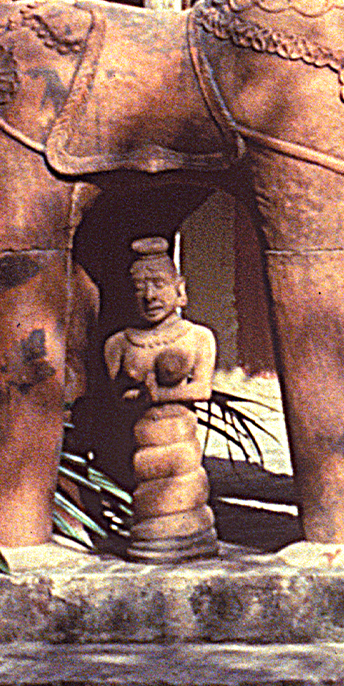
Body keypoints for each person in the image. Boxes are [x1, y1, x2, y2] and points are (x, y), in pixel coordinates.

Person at [100, 238, 219, 564]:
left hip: (181, 441)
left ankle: (190, 536)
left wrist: (162, 394)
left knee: (184, 490)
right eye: (139, 287)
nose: (149, 296)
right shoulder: (119, 343)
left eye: (158, 285)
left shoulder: (198, 337)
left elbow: (202, 389)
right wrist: (139, 396)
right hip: (145, 442)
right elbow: (118, 397)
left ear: (180, 289)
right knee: (150, 499)